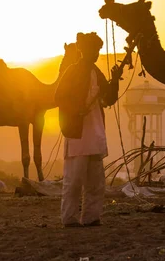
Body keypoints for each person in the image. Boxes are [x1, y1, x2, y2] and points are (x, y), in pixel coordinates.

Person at [54, 32, 122, 227]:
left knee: (96, 181)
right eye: (93, 50)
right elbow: (59, 97)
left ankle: (92, 217)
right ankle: (70, 218)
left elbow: (108, 99)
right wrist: (76, 109)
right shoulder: (72, 71)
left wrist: (115, 79)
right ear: (84, 51)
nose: (95, 54)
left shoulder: (96, 73)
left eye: (97, 50)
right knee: (74, 180)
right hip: (77, 132)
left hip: (95, 133)